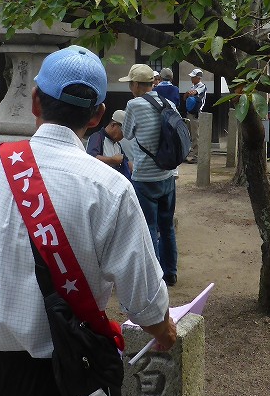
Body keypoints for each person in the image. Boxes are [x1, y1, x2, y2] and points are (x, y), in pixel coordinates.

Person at [0, 45, 176, 396]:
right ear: (97, 116)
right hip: (61, 378)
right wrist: (165, 331)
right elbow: (145, 304)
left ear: (35, 101)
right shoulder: (111, 188)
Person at [120, 62, 179, 286]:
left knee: (149, 227)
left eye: (130, 84)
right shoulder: (167, 103)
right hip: (168, 174)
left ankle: (155, 276)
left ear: (136, 85)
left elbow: (127, 133)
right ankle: (171, 272)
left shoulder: (133, 105)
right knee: (167, 226)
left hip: (145, 176)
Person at [86, 109, 131, 179]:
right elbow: (90, 158)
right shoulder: (97, 137)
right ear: (113, 125)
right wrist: (111, 160)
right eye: (122, 132)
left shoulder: (118, 144)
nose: (123, 136)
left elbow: (126, 162)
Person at [183, 67, 207, 163]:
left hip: (196, 114)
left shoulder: (202, 86)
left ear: (198, 78)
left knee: (195, 135)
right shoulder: (193, 86)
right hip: (190, 113)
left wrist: (188, 94)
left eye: (193, 77)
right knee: (188, 134)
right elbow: (186, 96)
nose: (191, 79)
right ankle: (188, 154)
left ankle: (196, 156)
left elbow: (193, 93)